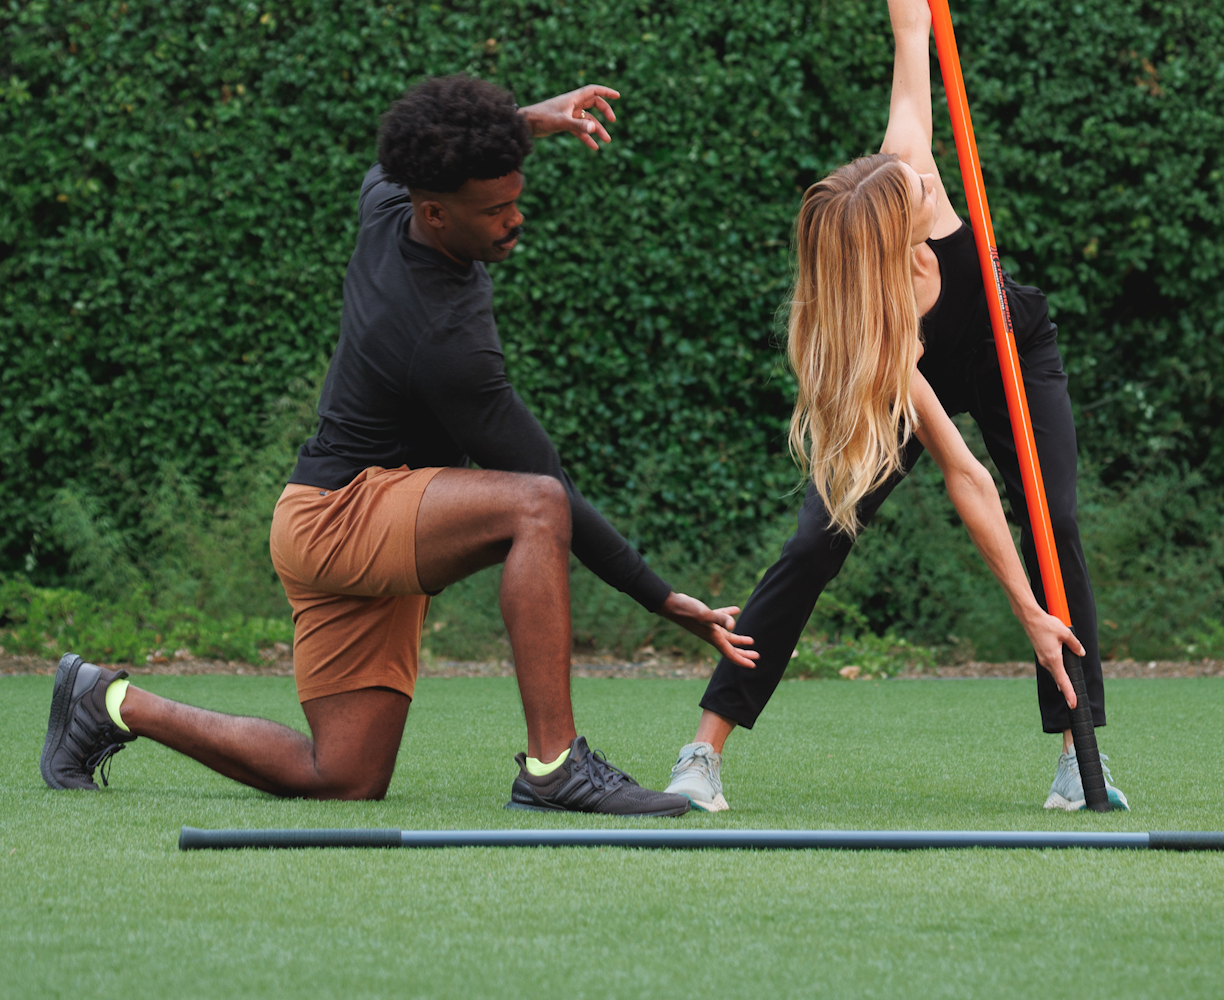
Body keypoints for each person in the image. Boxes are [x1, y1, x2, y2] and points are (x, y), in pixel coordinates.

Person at [42, 76, 757, 815]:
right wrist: (662, 596)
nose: (514, 221)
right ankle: (555, 766)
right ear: (437, 213)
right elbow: (548, 481)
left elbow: (398, 162)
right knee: (535, 506)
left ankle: (107, 701)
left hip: (334, 519)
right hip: (343, 517)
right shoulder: (443, 342)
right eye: (493, 211)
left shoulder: (389, 201)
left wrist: (525, 124)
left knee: (344, 776)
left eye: (516, 198)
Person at [665, 0, 1129, 815]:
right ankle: (703, 751)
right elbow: (963, 478)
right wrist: (1019, 608)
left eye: (915, 189)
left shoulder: (905, 155)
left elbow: (907, 12)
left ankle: (1075, 750)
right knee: (815, 539)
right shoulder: (878, 330)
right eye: (914, 208)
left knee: (1053, 519)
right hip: (918, 366)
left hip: (1008, 339)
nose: (925, 195)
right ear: (881, 252)